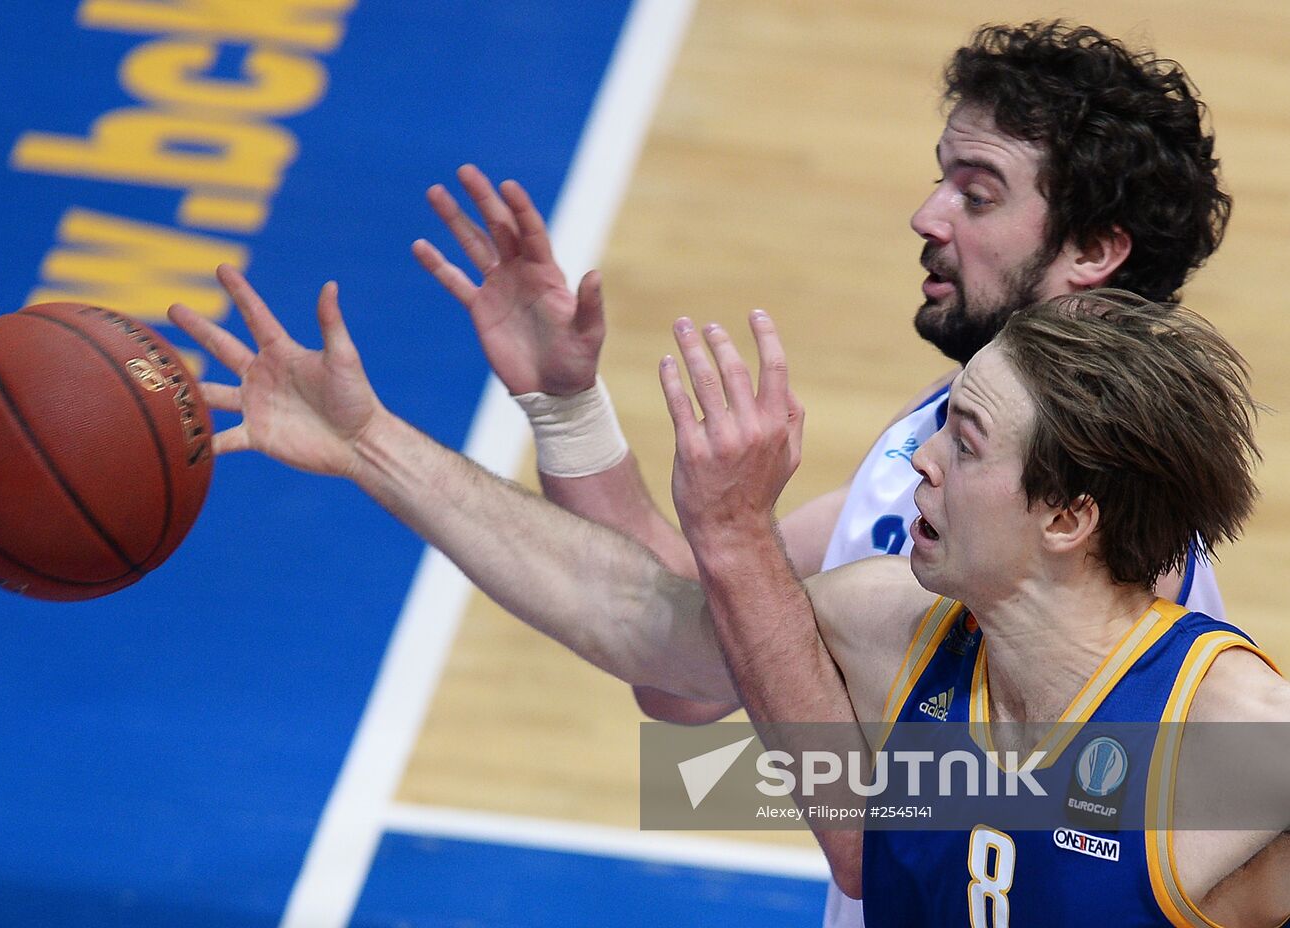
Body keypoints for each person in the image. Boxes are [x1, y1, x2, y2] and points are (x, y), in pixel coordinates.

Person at [411, 24, 1233, 922]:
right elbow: (692, 656)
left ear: (1092, 251)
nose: (929, 216)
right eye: (941, 177)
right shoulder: (938, 437)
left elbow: (876, 840)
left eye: (978, 194)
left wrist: (734, 533)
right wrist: (566, 408)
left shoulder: (1100, 543)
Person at [170, 269, 1287, 922]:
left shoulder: (1225, 745)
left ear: (1064, 516)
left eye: (967, 440)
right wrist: (373, 446)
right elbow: (648, 625)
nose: (920, 466)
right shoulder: (893, 630)